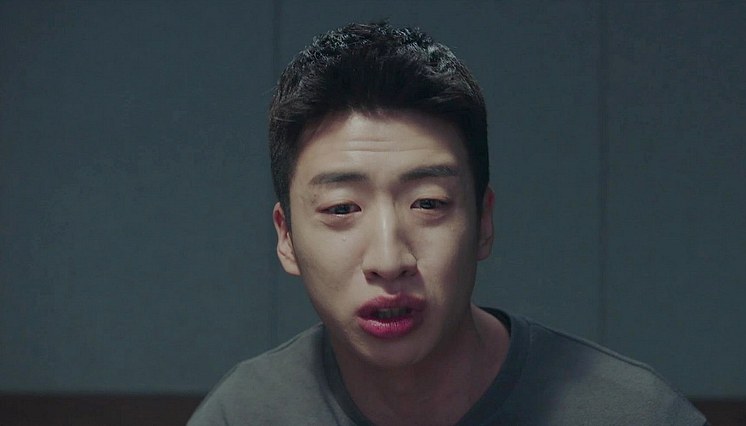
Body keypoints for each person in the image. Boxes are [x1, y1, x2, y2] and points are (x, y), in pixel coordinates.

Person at [188, 22, 708, 425]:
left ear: (483, 221)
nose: (389, 259)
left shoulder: (635, 414)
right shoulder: (244, 414)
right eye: (342, 208)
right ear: (286, 238)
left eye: (428, 203)